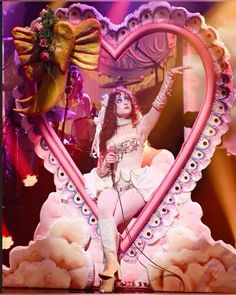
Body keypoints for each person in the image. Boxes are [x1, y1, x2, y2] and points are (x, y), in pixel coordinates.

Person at [83, 65, 191, 292]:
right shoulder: (107, 135)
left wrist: (169, 79)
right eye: (119, 99)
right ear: (112, 107)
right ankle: (111, 264)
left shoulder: (140, 128)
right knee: (104, 210)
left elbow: (157, 107)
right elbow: (102, 172)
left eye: (126, 99)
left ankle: (109, 272)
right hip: (113, 185)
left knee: (109, 222)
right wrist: (106, 163)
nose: (124, 101)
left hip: (136, 185)